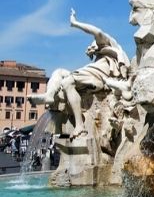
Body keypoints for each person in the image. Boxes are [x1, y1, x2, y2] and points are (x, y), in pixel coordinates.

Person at [30, 9, 130, 138]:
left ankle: (80, 126)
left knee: (67, 82)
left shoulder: (108, 45)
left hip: (100, 78)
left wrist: (75, 23)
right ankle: (49, 95)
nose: (89, 48)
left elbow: (97, 32)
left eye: (92, 45)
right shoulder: (98, 58)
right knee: (59, 72)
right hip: (90, 76)